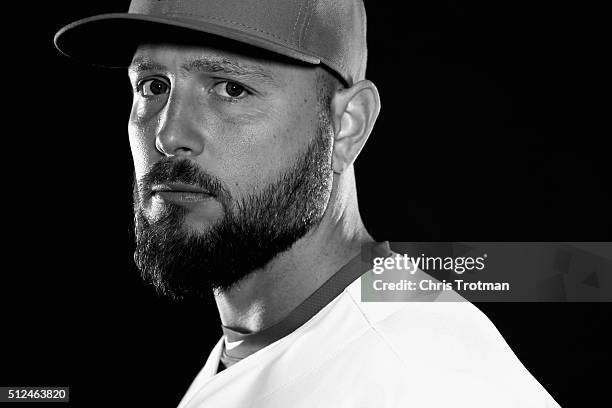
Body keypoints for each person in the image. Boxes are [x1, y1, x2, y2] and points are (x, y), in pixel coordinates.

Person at [55, 0, 561, 406]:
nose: (168, 135)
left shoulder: (427, 385)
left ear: (347, 126)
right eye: (152, 86)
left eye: (231, 89)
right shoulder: (264, 341)